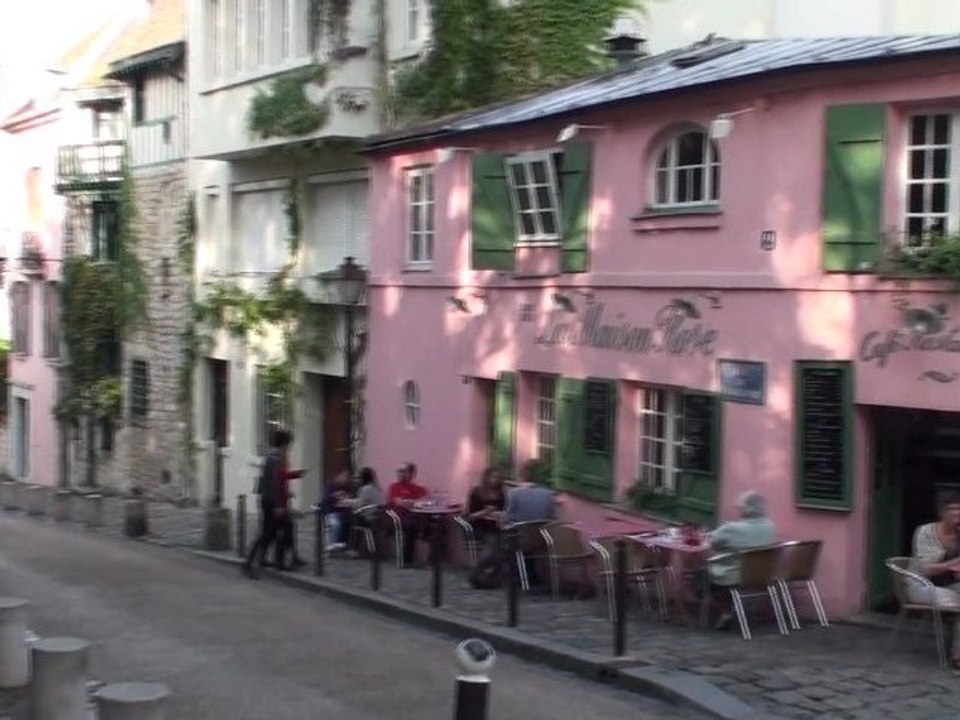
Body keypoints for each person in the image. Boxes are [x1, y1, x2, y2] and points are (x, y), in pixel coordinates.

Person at [707, 490, 776, 629]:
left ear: (746, 508)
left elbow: (712, 541)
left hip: (735, 575)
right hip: (763, 574)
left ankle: (724, 612)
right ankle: (731, 610)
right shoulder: (770, 526)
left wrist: (722, 528)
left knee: (704, 575)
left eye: (740, 506)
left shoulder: (731, 528)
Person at [909, 490, 960, 668]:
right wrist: (952, 563)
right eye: (952, 509)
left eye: (959, 509)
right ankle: (958, 657)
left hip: (950, 584)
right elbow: (926, 569)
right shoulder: (925, 532)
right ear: (941, 512)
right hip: (922, 585)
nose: (956, 513)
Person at [243, 429, 304, 578]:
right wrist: (278, 505)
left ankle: (277, 561)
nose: (289, 448)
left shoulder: (271, 455)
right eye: (288, 444)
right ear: (283, 443)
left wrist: (295, 475)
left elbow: (277, 478)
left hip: (269, 500)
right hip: (272, 502)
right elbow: (275, 482)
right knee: (268, 534)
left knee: (282, 529)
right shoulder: (276, 458)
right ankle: (251, 564)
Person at [387, 462, 428, 566]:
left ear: (411, 473)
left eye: (403, 471)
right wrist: (413, 502)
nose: (400, 474)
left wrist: (409, 502)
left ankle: (433, 561)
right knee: (411, 527)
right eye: (399, 471)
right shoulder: (394, 487)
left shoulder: (419, 489)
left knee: (438, 525)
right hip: (397, 520)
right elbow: (399, 502)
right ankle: (406, 561)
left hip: (418, 518)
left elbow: (425, 502)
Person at [466, 467, 506, 547]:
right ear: (486, 478)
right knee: (493, 539)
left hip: (497, 527)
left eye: (498, 477)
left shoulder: (501, 494)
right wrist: (486, 512)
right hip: (480, 527)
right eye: (493, 477)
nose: (495, 480)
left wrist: (500, 515)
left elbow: (504, 511)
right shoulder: (477, 493)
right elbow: (470, 517)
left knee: (509, 537)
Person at [322, 470, 354, 551]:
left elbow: (348, 498)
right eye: (346, 478)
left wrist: (347, 497)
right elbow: (325, 498)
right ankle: (332, 546)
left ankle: (343, 546)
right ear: (340, 477)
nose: (346, 480)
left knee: (348, 523)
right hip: (331, 511)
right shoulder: (330, 485)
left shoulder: (346, 486)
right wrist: (335, 495)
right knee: (337, 525)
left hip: (343, 511)